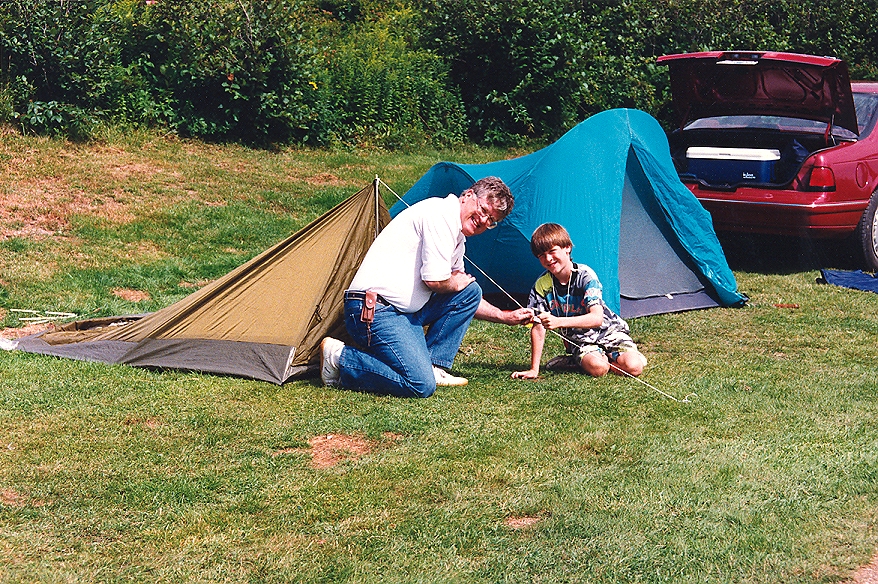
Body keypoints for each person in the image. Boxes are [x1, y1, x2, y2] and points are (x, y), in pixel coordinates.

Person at [320, 177, 533, 398]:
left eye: (491, 220)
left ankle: (433, 365)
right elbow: (435, 280)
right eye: (484, 210)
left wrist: (504, 316)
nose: (483, 220)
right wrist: (455, 281)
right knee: (420, 384)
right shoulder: (440, 214)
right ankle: (340, 358)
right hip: (374, 310)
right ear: (468, 195)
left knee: (470, 292)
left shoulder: (457, 236)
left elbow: (461, 290)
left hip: (404, 314)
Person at [511, 223, 647, 380]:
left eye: (552, 251)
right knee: (599, 368)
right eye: (541, 255)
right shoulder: (542, 285)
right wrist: (534, 369)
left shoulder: (585, 276)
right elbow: (538, 327)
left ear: (567, 248)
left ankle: (597, 359)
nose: (548, 258)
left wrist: (558, 322)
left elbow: (597, 318)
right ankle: (586, 359)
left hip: (610, 333)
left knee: (634, 367)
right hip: (580, 341)